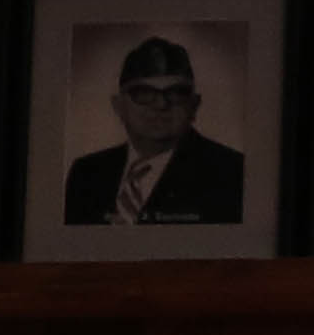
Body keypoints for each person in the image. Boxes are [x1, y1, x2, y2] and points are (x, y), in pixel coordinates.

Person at [60, 34, 245, 227]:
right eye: (143, 93)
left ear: (194, 105)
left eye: (175, 93)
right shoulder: (86, 174)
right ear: (118, 106)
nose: (161, 104)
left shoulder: (232, 173)